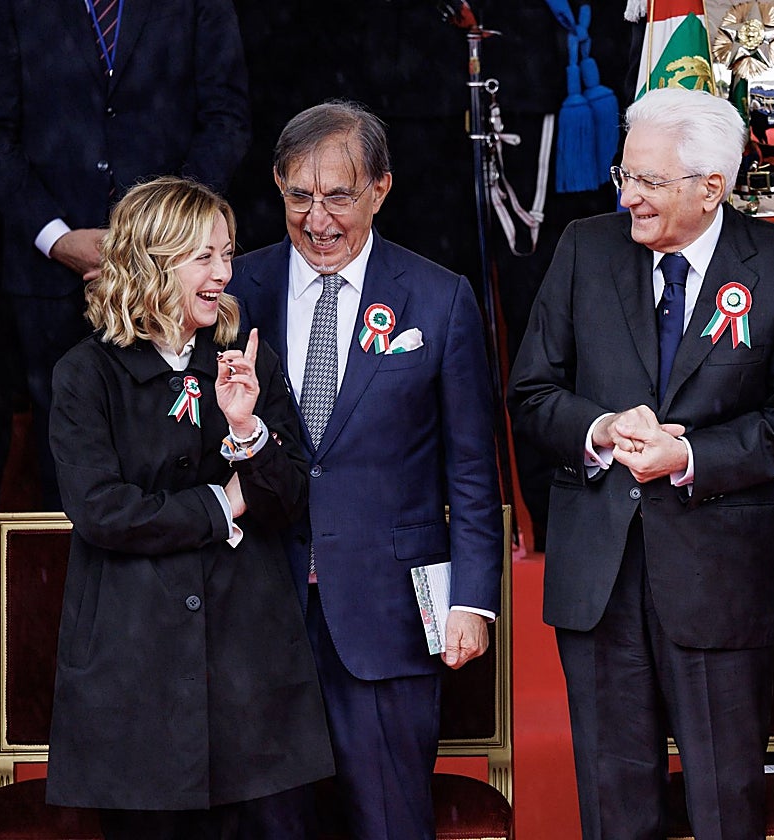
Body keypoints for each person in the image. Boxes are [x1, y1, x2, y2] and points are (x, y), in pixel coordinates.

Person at [507, 87, 774, 840]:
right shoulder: (586, 248)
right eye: (627, 176)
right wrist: (601, 428)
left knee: (724, 806)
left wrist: (688, 455)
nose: (629, 197)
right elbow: (531, 392)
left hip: (717, 575)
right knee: (615, 813)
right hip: (599, 579)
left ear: (710, 187)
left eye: (649, 182)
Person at [228, 101, 504, 840]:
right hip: (259, 616)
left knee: (388, 823)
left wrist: (473, 601)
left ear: (381, 189)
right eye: (299, 197)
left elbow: (473, 470)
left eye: (339, 197)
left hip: (387, 620)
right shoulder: (232, 293)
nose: (317, 220)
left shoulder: (439, 299)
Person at [45, 177, 333, 838]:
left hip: (251, 676)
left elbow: (288, 500)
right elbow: (101, 511)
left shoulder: (245, 362)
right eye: (203, 257)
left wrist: (245, 432)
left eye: (226, 255)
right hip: (135, 674)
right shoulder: (84, 375)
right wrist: (220, 503)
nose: (223, 274)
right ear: (152, 261)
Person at [0, 0, 250, 508]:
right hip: (48, 275)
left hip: (171, 276)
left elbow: (226, 119)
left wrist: (161, 234)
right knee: (59, 463)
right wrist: (56, 236)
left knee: (173, 444)